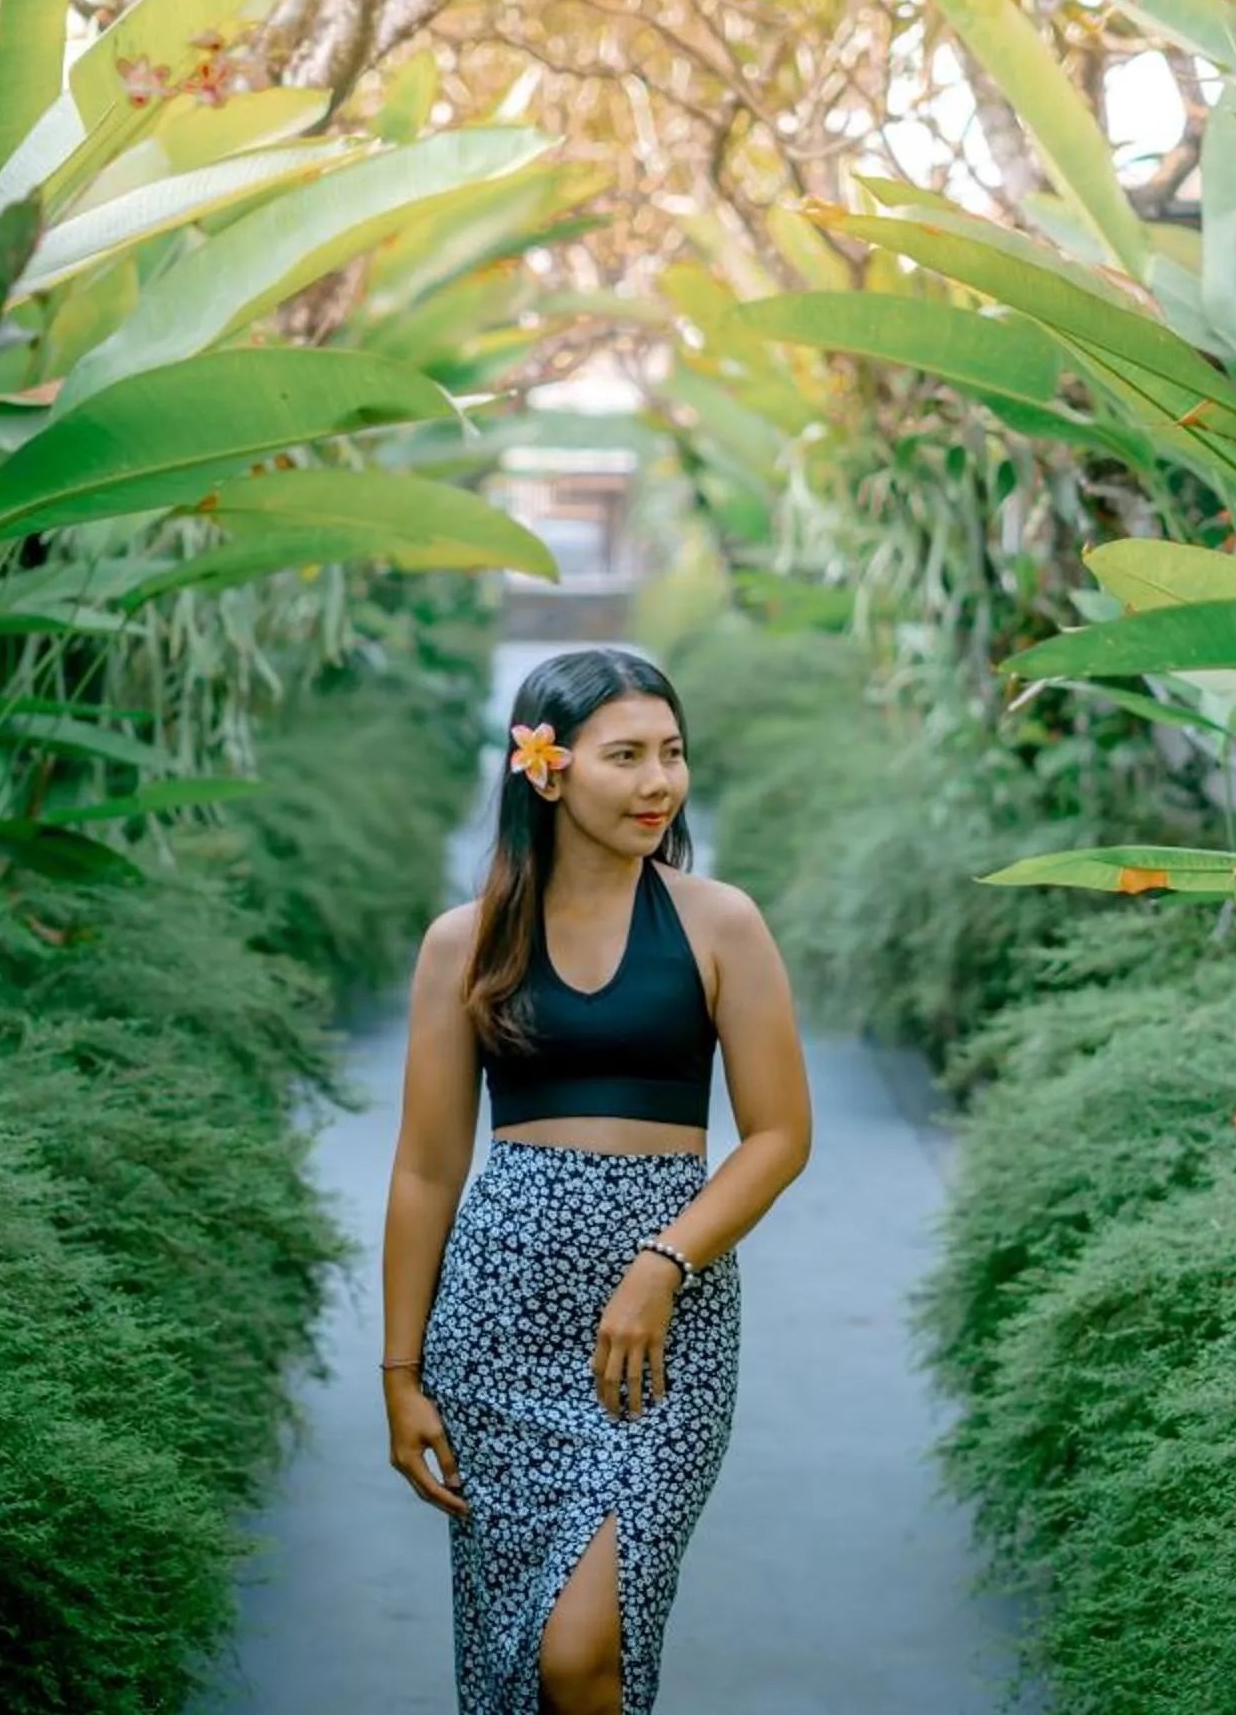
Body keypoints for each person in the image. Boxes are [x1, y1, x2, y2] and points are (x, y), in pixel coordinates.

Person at [379, 647, 814, 1715]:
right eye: (626, 755)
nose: (659, 781)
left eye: (671, 753)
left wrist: (665, 1260)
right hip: (500, 1330)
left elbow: (779, 1133)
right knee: (524, 1652)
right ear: (549, 768)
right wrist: (401, 1369)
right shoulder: (465, 941)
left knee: (581, 1647)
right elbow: (428, 1166)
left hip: (662, 1337)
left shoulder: (720, 922)